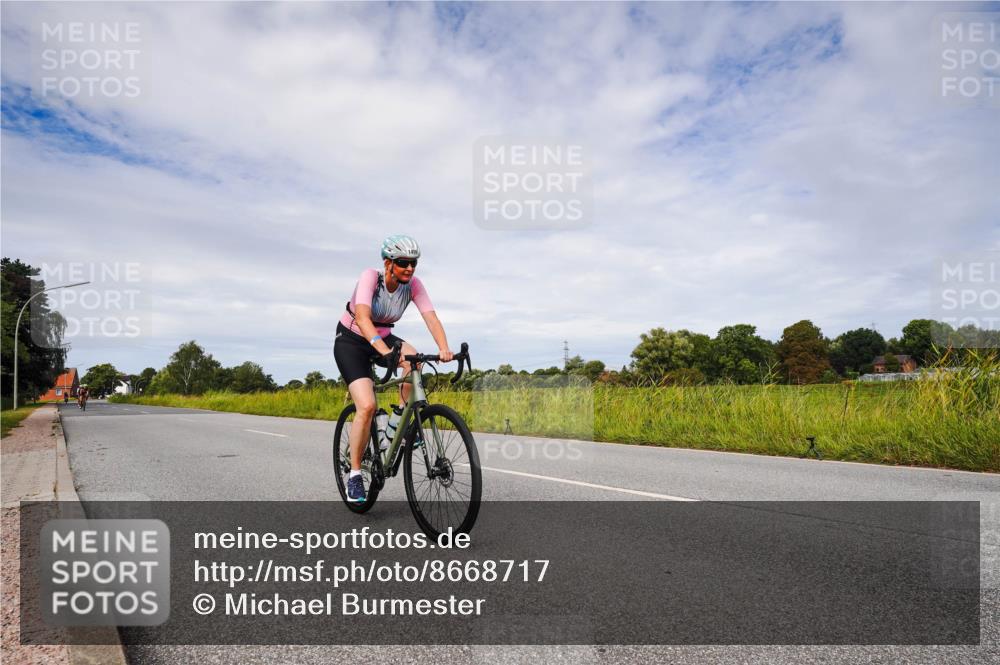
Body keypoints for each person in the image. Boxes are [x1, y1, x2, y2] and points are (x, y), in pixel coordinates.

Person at [333, 235, 453, 503]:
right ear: (388, 263)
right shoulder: (370, 278)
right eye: (403, 263)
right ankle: (355, 476)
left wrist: (444, 348)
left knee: (414, 361)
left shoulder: (414, 285)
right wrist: (383, 350)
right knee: (367, 406)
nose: (409, 268)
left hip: (384, 337)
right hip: (352, 340)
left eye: (413, 263)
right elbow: (362, 318)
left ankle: (397, 422)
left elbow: (431, 318)